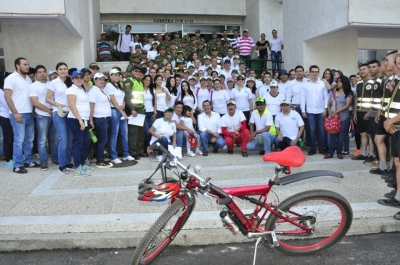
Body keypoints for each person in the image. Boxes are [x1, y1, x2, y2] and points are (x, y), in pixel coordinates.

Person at [4, 57, 40, 174]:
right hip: (18, 114)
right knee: (19, 140)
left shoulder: (28, 80)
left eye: (28, 64)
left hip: (29, 113)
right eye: (25, 64)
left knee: (29, 140)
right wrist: (15, 112)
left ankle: (28, 161)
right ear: (17, 66)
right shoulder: (11, 78)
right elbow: (7, 97)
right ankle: (18, 165)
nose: (27, 66)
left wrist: (33, 109)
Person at [46, 62, 73, 173]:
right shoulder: (53, 82)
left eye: (65, 69)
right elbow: (47, 98)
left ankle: (67, 161)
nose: (63, 71)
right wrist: (57, 104)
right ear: (57, 71)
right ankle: (61, 165)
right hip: (59, 113)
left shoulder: (71, 81)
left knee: (70, 139)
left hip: (70, 113)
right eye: (60, 69)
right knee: (63, 139)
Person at [29, 65, 58, 170]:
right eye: (39, 72)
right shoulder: (34, 86)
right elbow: (35, 102)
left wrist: (53, 111)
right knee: (42, 140)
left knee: (54, 139)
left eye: (43, 71)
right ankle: (44, 162)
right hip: (42, 116)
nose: (42, 73)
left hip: (53, 115)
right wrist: (48, 110)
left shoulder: (51, 84)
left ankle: (55, 159)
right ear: (36, 74)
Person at [104, 69, 135, 164]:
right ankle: (113, 156)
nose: (117, 77)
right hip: (115, 111)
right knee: (114, 134)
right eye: (115, 75)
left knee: (124, 134)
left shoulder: (119, 85)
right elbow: (113, 100)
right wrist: (122, 111)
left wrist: (124, 106)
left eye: (118, 75)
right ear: (110, 76)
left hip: (121, 110)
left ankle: (126, 154)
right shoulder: (109, 85)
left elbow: (123, 98)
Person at [66, 70, 93, 176]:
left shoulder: (81, 89)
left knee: (84, 142)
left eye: (81, 77)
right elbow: (72, 106)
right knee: (78, 143)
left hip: (84, 120)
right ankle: (77, 166)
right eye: (76, 78)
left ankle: (82, 163)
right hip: (75, 119)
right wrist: (80, 120)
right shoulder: (71, 90)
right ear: (72, 79)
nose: (79, 79)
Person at [301, 65, 329, 155]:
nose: (314, 73)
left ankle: (321, 148)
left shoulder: (322, 83)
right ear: (309, 73)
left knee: (321, 130)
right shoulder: (305, 84)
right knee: (312, 130)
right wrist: (303, 110)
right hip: (309, 110)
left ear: (318, 73)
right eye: (313, 71)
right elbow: (303, 98)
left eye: (316, 72)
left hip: (321, 110)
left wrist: (325, 109)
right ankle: (313, 148)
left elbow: (326, 97)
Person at [325, 76, 352, 159]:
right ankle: (330, 153)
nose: (338, 83)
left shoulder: (348, 93)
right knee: (330, 135)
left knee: (341, 136)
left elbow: (347, 105)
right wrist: (330, 113)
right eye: (338, 81)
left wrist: (336, 112)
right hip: (332, 118)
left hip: (343, 117)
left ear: (345, 83)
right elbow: (329, 104)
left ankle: (339, 152)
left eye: (340, 81)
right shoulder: (333, 92)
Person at [124, 65, 148, 159]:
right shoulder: (129, 81)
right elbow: (128, 97)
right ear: (132, 71)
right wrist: (132, 109)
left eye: (140, 72)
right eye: (136, 71)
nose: (138, 73)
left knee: (141, 132)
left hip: (140, 109)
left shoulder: (140, 82)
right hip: (133, 110)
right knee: (133, 132)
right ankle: (133, 152)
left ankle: (139, 150)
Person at [352, 63, 374, 161]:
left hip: (369, 112)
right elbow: (356, 99)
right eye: (360, 70)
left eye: (364, 69)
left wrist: (370, 112)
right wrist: (355, 112)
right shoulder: (359, 84)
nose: (362, 71)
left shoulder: (374, 82)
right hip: (360, 111)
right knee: (362, 133)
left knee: (370, 134)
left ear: (369, 70)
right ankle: (364, 153)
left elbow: (375, 99)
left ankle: (372, 154)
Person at [0, 72, 13, 168]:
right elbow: (7, 104)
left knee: (14, 138)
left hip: (12, 115)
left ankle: (13, 156)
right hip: (5, 116)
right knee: (8, 138)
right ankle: (8, 158)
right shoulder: (1, 91)